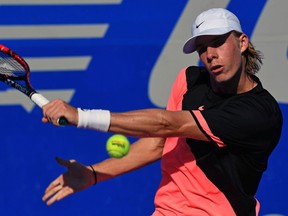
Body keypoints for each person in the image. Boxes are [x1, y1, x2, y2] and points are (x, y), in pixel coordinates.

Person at [41, 8, 283, 216]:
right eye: (202, 48)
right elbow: (161, 142)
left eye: (218, 42)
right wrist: (94, 174)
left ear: (242, 43)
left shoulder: (259, 113)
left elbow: (168, 124)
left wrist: (81, 116)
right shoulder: (190, 81)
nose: (210, 55)